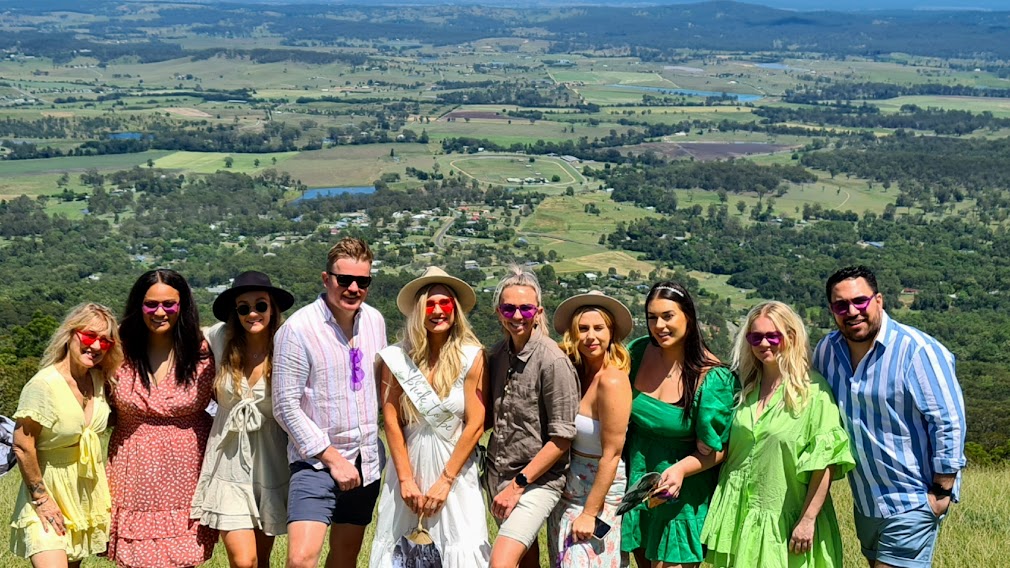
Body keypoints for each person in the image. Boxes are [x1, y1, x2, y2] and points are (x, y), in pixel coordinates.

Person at [814, 266, 966, 568]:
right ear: (832, 310)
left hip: (913, 501)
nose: (852, 311)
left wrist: (941, 492)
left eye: (860, 301)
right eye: (841, 305)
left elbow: (949, 422)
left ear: (879, 300)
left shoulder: (918, 351)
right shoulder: (826, 352)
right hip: (866, 504)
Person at [702, 301, 856, 567]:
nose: (764, 344)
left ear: (791, 337)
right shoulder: (745, 387)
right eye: (756, 337)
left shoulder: (813, 392)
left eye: (773, 336)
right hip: (739, 517)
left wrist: (807, 521)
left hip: (787, 521)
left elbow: (826, 464)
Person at [272, 237, 387, 568]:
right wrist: (332, 458)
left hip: (366, 458)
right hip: (316, 462)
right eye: (344, 280)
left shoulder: (375, 321)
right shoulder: (298, 330)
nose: (353, 288)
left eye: (362, 281)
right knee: (301, 560)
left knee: (345, 557)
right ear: (326, 280)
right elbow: (284, 406)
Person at [370, 266, 491, 566]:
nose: (438, 311)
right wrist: (406, 480)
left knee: (461, 546)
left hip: (456, 472)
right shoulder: (396, 359)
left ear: (455, 310)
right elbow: (392, 422)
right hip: (407, 470)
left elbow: (476, 424)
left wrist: (445, 481)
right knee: (401, 549)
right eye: (430, 304)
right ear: (418, 311)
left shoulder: (472, 356)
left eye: (445, 303)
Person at [621, 281, 737, 568]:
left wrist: (681, 470)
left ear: (689, 316)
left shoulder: (712, 379)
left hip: (681, 495)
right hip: (640, 483)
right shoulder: (636, 353)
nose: (659, 325)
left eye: (668, 316)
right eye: (652, 317)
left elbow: (718, 449)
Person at [107, 269, 218, 568]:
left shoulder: (204, 350)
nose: (160, 312)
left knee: (182, 559)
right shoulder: (118, 349)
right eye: (150, 304)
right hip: (133, 471)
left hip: (188, 472)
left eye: (169, 304)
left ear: (182, 306)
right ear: (138, 306)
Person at [190, 271, 296, 568]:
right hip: (229, 462)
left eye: (260, 305)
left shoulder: (288, 345)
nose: (252, 313)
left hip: (271, 462)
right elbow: (176, 333)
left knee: (261, 560)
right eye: (243, 307)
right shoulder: (220, 339)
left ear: (272, 307)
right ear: (234, 313)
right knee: (244, 560)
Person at [9, 303, 123, 567]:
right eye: (89, 336)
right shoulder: (43, 384)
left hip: (83, 493)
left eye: (104, 341)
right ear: (70, 334)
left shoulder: (98, 382)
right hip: (47, 492)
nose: (95, 346)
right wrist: (42, 499)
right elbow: (23, 445)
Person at [487, 265, 579, 568]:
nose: (517, 316)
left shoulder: (552, 362)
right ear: (499, 312)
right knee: (525, 561)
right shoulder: (499, 354)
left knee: (500, 562)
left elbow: (562, 438)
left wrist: (517, 485)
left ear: (538, 311)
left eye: (525, 309)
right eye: (509, 308)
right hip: (500, 475)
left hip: (536, 481)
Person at [548, 291, 634, 568]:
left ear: (611, 333)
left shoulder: (613, 381)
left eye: (599, 328)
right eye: (583, 329)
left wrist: (590, 512)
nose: (590, 336)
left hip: (599, 491)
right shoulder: (574, 373)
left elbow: (612, 454)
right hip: (569, 488)